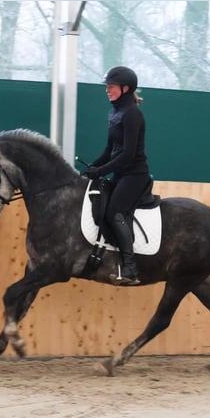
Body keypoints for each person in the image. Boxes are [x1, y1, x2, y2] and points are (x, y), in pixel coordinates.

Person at [84, 65, 151, 286]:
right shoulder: (115, 113)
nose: (107, 90)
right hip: (120, 174)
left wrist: (102, 171)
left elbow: (128, 154)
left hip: (134, 175)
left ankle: (131, 268)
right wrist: (92, 167)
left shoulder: (133, 114)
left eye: (110, 87)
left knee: (115, 212)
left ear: (125, 88)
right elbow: (109, 150)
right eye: (107, 87)